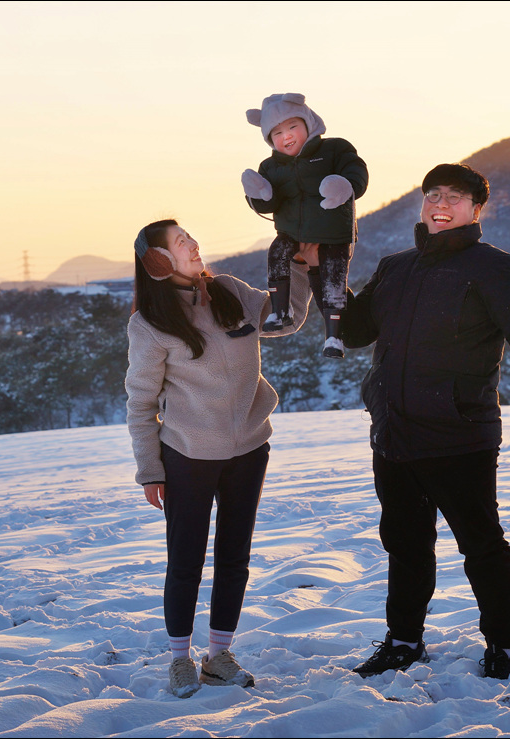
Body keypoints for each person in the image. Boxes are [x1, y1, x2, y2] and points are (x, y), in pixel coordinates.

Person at [306, 163, 510, 681]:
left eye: (455, 197)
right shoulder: (396, 268)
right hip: (394, 434)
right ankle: (403, 641)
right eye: (433, 195)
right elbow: (353, 330)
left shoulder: (495, 268)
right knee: (405, 546)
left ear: (476, 210)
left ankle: (502, 647)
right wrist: (317, 271)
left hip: (459, 434)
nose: (441, 204)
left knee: (481, 545)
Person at [125, 219, 316, 698]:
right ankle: (180, 660)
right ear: (159, 262)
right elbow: (141, 404)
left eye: (189, 235)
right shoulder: (150, 324)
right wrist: (150, 470)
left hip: (249, 449)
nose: (192, 243)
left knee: (234, 557)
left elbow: (286, 318)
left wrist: (300, 266)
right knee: (185, 562)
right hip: (188, 457)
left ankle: (219, 656)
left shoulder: (230, 291)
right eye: (180, 241)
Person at [241, 92, 368, 359]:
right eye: (277, 132)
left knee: (333, 280)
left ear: (308, 123)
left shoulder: (334, 149)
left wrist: (345, 186)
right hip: (292, 233)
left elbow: (356, 172)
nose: (286, 136)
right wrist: (258, 193)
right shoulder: (270, 166)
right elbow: (268, 203)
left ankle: (334, 336)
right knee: (276, 253)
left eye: (292, 126)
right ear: (269, 139)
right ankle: (280, 310)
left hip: (333, 233)